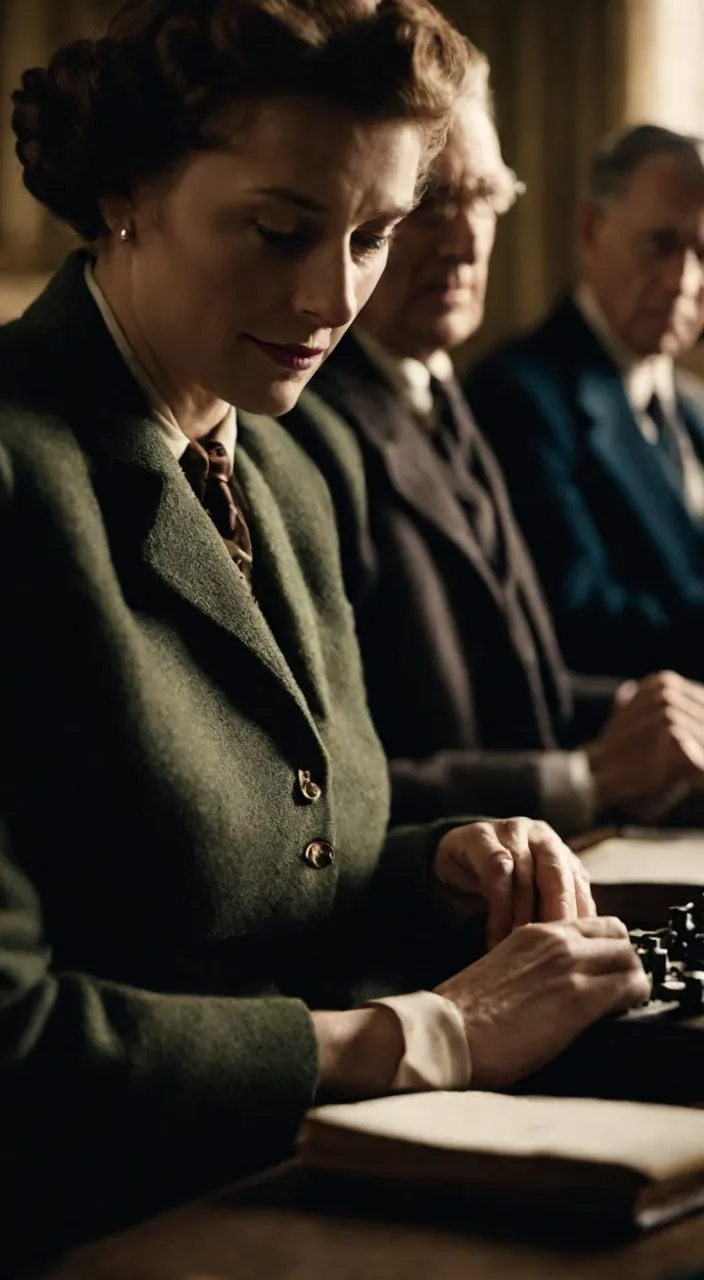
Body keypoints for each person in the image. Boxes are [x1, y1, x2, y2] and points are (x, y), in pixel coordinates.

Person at [0, 1, 649, 1271]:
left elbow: (283, 869)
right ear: (127, 187)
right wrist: (428, 1033)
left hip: (302, 1173)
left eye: (373, 234)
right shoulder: (21, 477)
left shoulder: (294, 464)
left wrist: (434, 862)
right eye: (281, 230)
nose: (332, 295)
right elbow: (16, 1038)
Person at [305, 74, 704, 831]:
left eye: (484, 196)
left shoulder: (440, 388)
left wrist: (644, 712)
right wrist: (582, 776)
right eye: (429, 202)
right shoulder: (310, 426)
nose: (464, 241)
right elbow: (327, 785)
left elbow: (516, 681)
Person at [466, 124, 704, 682]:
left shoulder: (692, 408)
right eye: (662, 245)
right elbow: (578, 619)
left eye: (703, 254)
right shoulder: (519, 397)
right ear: (592, 231)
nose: (683, 281)